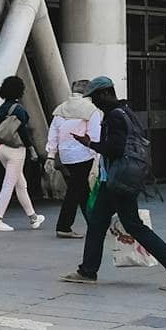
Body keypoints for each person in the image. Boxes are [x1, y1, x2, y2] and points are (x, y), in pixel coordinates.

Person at [63, 76, 166, 291]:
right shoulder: (125, 111)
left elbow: (115, 148)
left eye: (95, 98)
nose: (94, 103)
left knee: (130, 226)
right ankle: (87, 270)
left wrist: (90, 144)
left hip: (117, 180)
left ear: (105, 94)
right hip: (118, 179)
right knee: (98, 224)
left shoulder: (114, 116)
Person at [0, 75, 46, 232]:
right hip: (16, 150)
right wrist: (31, 149)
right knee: (9, 184)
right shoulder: (19, 110)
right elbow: (23, 132)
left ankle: (33, 218)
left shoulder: (1, 109)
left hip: (1, 148)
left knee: (21, 184)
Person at [46, 79, 102, 237]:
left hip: (65, 155)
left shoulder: (61, 109)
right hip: (84, 154)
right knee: (75, 191)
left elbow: (53, 133)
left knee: (81, 189)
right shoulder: (91, 110)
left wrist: (51, 155)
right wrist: (98, 156)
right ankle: (64, 226)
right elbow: (95, 135)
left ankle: (94, 223)